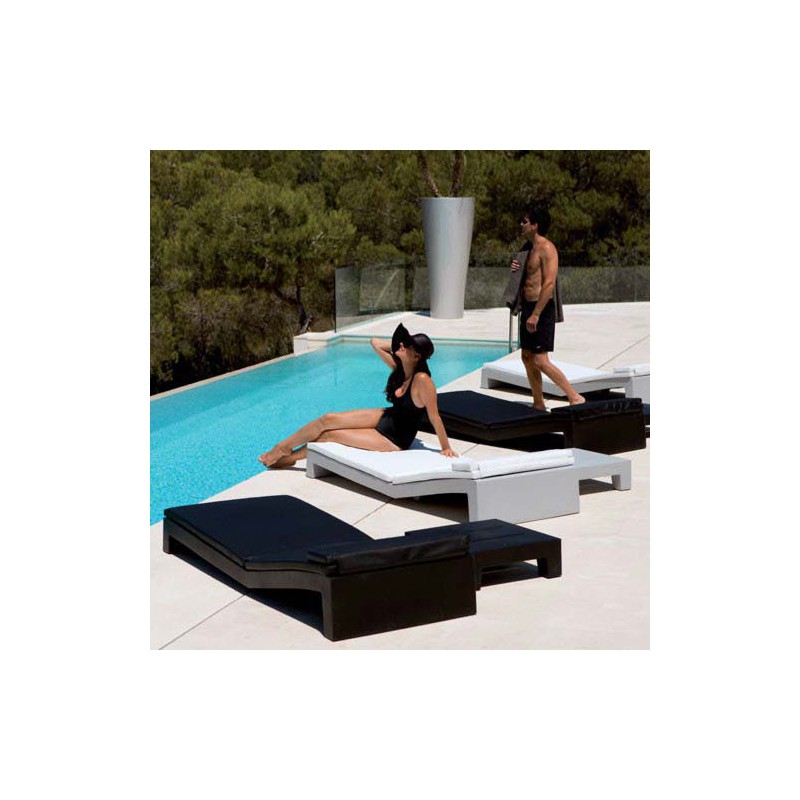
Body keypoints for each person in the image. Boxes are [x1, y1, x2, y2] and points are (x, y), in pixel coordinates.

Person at [258, 324, 458, 468]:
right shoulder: (400, 369)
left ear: (417, 356)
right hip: (387, 416)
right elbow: (375, 342)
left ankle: (290, 458)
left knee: (329, 435)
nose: (401, 346)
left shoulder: (422, 380)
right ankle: (282, 447)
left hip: (394, 438)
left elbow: (434, 417)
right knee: (327, 419)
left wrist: (445, 447)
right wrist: (398, 347)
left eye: (407, 345)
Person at [510, 207, 585, 409]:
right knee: (527, 357)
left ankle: (574, 397)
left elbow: (549, 284)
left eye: (525, 221)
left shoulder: (547, 248)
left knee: (540, 360)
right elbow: (526, 274)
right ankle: (538, 403)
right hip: (528, 307)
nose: (521, 224)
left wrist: (536, 314)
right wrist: (515, 266)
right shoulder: (527, 248)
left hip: (541, 309)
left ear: (535, 225)